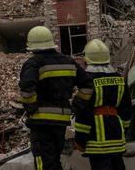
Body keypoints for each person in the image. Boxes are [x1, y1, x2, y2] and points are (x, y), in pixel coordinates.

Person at [19, 26, 90, 170]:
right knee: (55, 160)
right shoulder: (69, 62)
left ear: (33, 47)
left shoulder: (34, 63)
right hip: (61, 122)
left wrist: (30, 107)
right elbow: (88, 86)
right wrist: (77, 104)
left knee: (43, 162)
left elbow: (27, 89)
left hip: (41, 122)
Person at [72, 39, 132, 170]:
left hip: (97, 139)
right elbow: (127, 111)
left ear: (87, 60)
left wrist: (80, 140)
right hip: (117, 135)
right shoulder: (119, 79)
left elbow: (84, 113)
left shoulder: (87, 80)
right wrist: (123, 131)